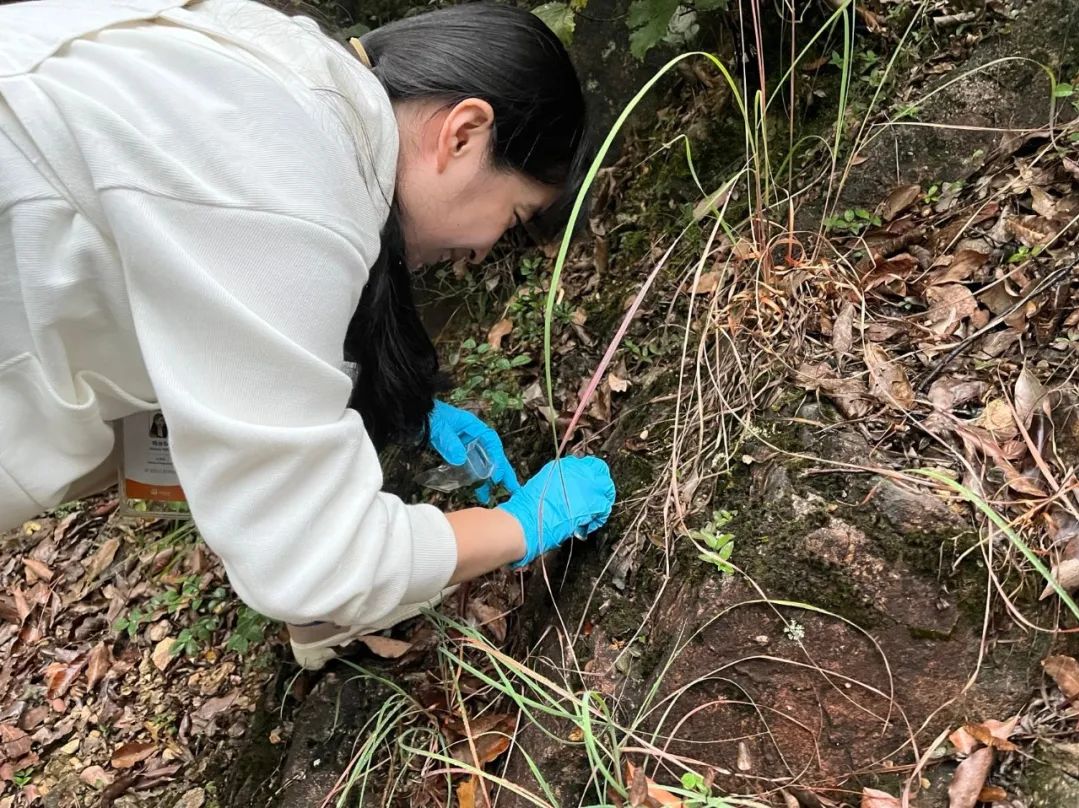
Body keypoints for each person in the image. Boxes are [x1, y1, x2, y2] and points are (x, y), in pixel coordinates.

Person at [0, 0, 617, 669]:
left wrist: (393, 413)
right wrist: (519, 527)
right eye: (516, 218)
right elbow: (316, 561)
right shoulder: (289, 181)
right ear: (463, 134)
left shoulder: (282, 79)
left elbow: (216, 362)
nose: (484, 249)